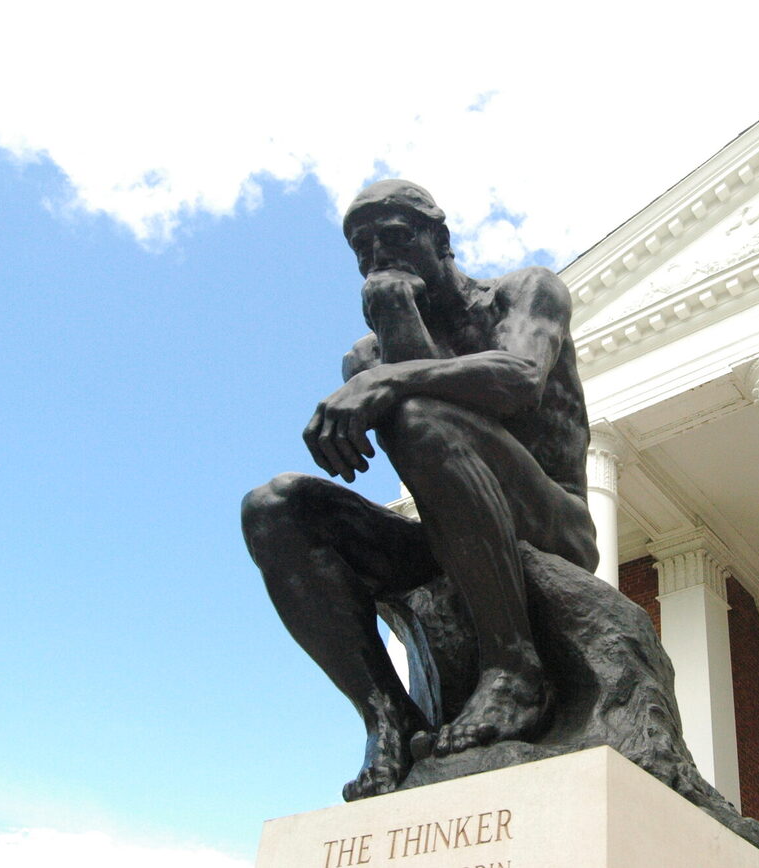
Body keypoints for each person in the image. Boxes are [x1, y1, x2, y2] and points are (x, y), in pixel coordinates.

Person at [241, 180, 599, 801]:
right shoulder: (367, 356)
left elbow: (519, 381)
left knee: (415, 413)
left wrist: (390, 381)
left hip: (551, 521)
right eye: (362, 247)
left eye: (395, 235)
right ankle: (387, 716)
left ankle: (515, 668)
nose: (378, 254)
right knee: (273, 506)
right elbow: (424, 444)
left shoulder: (524, 291)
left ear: (441, 238)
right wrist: (393, 332)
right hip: (450, 532)